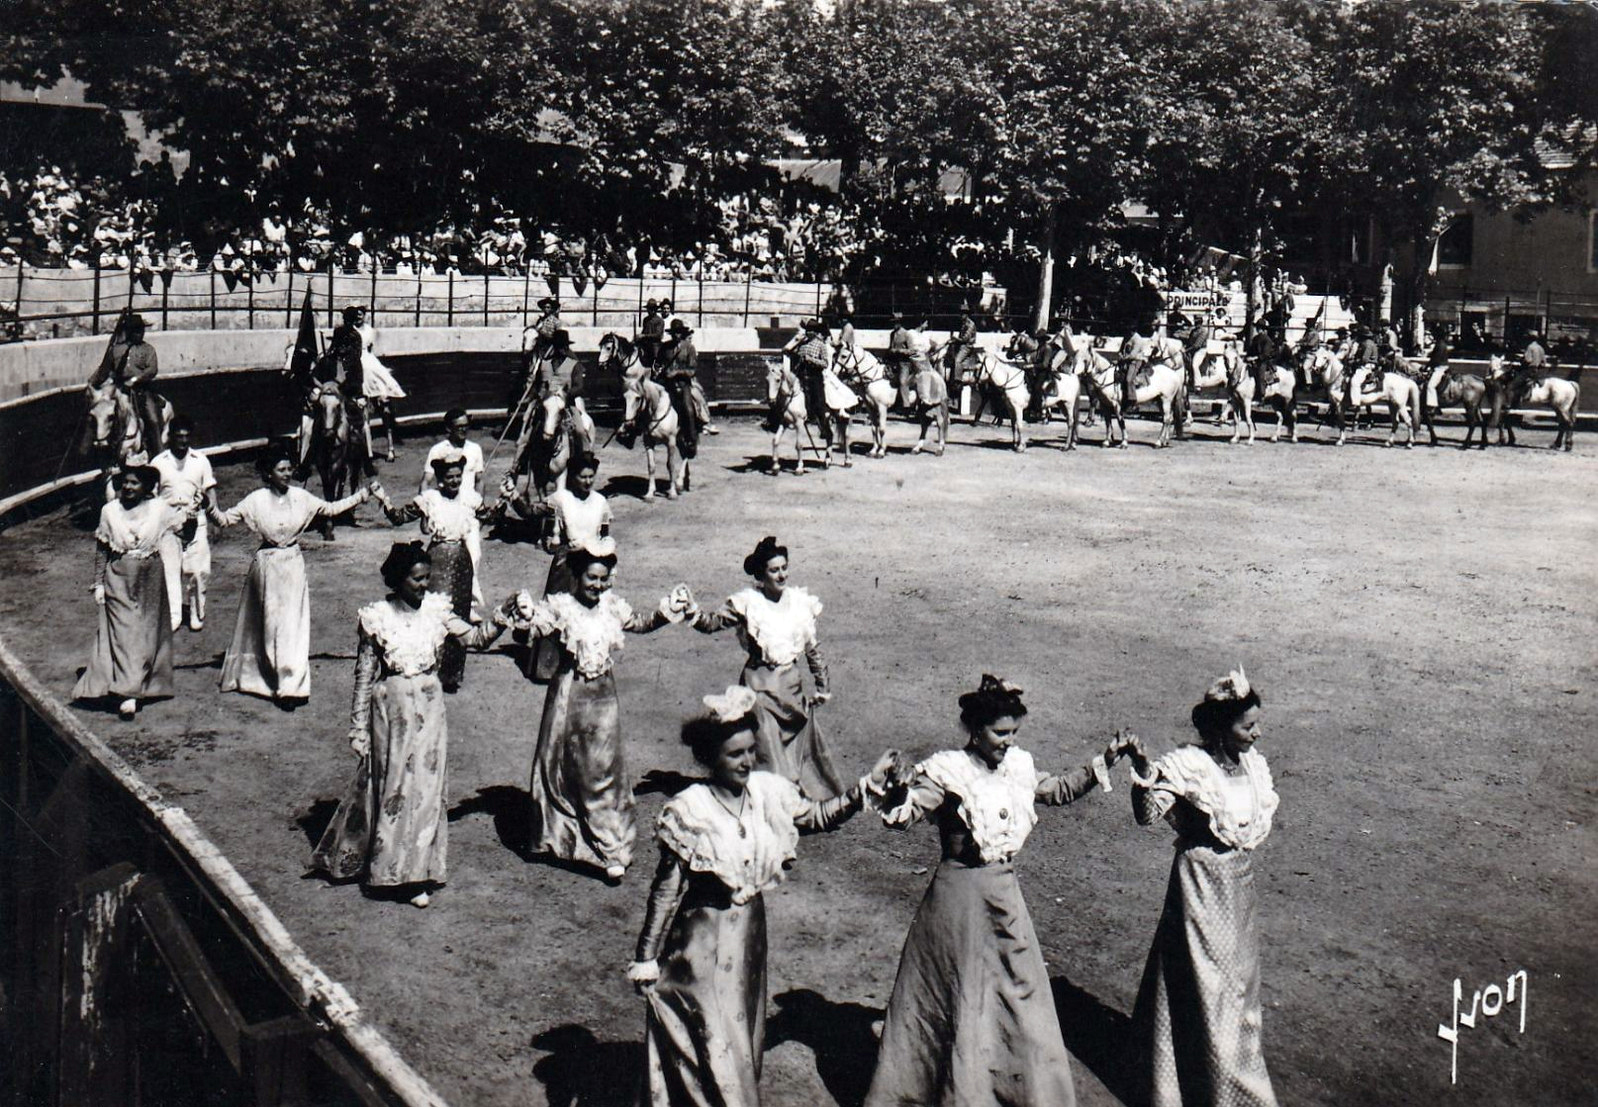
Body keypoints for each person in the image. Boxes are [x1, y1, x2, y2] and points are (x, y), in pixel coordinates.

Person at [863, 676, 1138, 1107]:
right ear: (975, 729)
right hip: (958, 904)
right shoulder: (948, 772)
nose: (1008, 742)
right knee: (963, 998)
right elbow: (906, 812)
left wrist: (1106, 759)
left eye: (1013, 733)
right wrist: (897, 788)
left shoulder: (1018, 768)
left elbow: (1058, 789)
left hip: (1006, 900)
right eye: (999, 733)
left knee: (1020, 998)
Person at [629, 686, 894, 1107]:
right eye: (736, 755)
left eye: (751, 751)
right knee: (715, 1038)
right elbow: (666, 890)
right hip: (702, 945)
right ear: (709, 757)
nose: (747, 762)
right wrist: (646, 956)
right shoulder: (690, 811)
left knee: (741, 1038)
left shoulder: (768, 794)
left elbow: (816, 816)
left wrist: (862, 790)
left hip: (750, 939)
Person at [309, 542, 512, 908]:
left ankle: (416, 873)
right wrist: (357, 727)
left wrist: (500, 617)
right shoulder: (377, 617)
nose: (424, 585)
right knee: (394, 788)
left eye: (427, 578)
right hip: (392, 709)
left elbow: (475, 639)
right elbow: (364, 674)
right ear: (397, 580)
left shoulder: (437, 611)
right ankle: (388, 870)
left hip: (431, 706)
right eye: (416, 579)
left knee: (428, 790)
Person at [1124, 667, 1281, 1107]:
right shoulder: (1189, 765)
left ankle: (1185, 1080)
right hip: (1199, 884)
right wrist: (1142, 771)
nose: (1257, 734)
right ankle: (1232, 1093)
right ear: (1219, 727)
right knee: (1215, 988)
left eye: (1256, 723)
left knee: (1234, 987)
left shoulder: (1253, 766)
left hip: (1238, 887)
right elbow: (1148, 815)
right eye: (1247, 726)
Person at [506, 537, 693, 881]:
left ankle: (610, 846)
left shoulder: (611, 606)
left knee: (603, 768)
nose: (598, 585)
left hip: (604, 697)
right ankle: (563, 835)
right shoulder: (561, 607)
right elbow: (537, 627)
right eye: (592, 578)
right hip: (569, 695)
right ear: (576, 576)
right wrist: (527, 613)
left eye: (604, 578)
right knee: (565, 765)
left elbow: (639, 622)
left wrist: (668, 611)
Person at [209, 447, 373, 706]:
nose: (287, 474)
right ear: (268, 473)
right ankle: (269, 678)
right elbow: (224, 520)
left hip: (293, 566)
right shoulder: (255, 500)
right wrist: (208, 507)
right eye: (281, 470)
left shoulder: (301, 496)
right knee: (271, 623)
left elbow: (330, 509)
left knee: (292, 625)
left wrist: (361, 496)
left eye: (289, 469)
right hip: (266, 567)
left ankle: (290, 685)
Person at [690, 536, 841, 798]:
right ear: (762, 574)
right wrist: (691, 611)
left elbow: (812, 648)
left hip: (790, 689)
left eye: (784, 568)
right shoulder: (748, 602)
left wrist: (822, 684)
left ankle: (795, 799)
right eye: (774, 570)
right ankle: (772, 801)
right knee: (767, 747)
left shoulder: (799, 602)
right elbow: (711, 623)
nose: (781, 575)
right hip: (758, 687)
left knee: (795, 750)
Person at [376, 454, 498, 692]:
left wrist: (505, 498)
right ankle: (430, 669)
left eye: (458, 477)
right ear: (440, 479)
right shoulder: (429, 499)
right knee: (435, 613)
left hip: (462, 562)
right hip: (438, 561)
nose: (454, 481)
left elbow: (489, 517)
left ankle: (452, 674)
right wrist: (384, 500)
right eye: (449, 477)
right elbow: (400, 518)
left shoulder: (470, 498)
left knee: (458, 615)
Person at [73, 463, 181, 719]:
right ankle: (128, 694)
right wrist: (98, 582)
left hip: (151, 576)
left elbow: (182, 532)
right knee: (125, 632)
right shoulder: (109, 511)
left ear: (145, 487)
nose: (128, 487)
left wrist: (194, 515)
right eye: (125, 483)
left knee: (147, 632)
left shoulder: (159, 508)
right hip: (119, 576)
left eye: (134, 483)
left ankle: (145, 683)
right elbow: (102, 549)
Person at [523, 453, 612, 683]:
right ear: (572, 476)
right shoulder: (561, 499)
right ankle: (547, 668)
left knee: (588, 616)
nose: (588, 481)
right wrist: (513, 496)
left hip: (591, 567)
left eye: (591, 477)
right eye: (583, 477)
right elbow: (531, 512)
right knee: (555, 614)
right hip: (565, 565)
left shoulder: (601, 502)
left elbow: (604, 536)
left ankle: (583, 663)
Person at [150, 416, 218, 633]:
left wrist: (214, 516)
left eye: (186, 437)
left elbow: (210, 491)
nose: (182, 441)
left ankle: (198, 612)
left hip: (195, 519)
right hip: (168, 522)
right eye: (178, 436)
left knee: (198, 570)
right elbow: (151, 497)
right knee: (170, 570)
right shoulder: (158, 462)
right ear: (170, 437)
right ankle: (174, 615)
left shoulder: (201, 460)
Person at [87, 313, 163, 460]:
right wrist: (91, 383)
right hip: (119, 390)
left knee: (153, 419)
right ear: (128, 332)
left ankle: (159, 455)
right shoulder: (115, 350)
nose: (139, 333)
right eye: (135, 330)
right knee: (99, 414)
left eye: (141, 330)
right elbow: (103, 370)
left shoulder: (148, 350)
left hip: (141, 390)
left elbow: (151, 370)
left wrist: (134, 380)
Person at [356, 305, 406, 462]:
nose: (359, 317)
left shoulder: (370, 330)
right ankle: (367, 452)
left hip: (370, 365)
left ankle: (390, 448)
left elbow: (370, 349)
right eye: (356, 314)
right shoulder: (350, 330)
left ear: (364, 316)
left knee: (385, 408)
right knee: (363, 417)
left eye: (361, 314)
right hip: (357, 364)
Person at [660, 319, 707, 457]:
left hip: (683, 383)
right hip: (667, 383)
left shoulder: (689, 348)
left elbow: (692, 370)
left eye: (679, 333)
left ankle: (691, 439)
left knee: (688, 408)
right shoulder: (665, 347)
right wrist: (660, 371)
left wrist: (677, 372)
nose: (676, 335)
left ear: (682, 333)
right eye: (674, 333)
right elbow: (658, 363)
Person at [907, 319, 948, 455]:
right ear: (921, 322)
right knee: (920, 376)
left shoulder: (925, 336)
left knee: (930, 375)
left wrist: (942, 345)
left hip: (924, 362)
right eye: (925, 323)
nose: (926, 325)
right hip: (914, 360)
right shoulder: (911, 334)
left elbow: (934, 346)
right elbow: (911, 350)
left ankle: (941, 443)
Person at [887, 313, 916, 411]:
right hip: (894, 362)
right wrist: (891, 350)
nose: (894, 325)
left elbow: (912, 350)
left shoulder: (906, 334)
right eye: (893, 323)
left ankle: (906, 406)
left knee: (903, 382)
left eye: (896, 323)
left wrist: (900, 351)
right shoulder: (892, 334)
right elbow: (890, 347)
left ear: (900, 323)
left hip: (905, 363)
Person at [638, 298, 665, 369]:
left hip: (655, 344)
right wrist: (639, 336)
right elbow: (644, 331)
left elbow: (658, 335)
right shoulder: (645, 320)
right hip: (645, 343)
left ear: (655, 309)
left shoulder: (660, 320)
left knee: (656, 357)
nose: (651, 311)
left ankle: (656, 369)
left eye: (653, 309)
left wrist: (644, 335)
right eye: (649, 309)